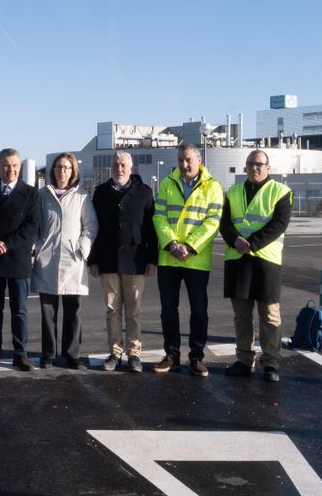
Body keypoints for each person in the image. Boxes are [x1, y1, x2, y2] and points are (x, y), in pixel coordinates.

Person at [152, 142, 223, 377]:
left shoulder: (213, 187)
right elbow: (159, 216)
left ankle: (196, 357)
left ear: (199, 160)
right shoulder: (167, 184)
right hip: (169, 258)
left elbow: (213, 222)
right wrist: (172, 244)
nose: (184, 165)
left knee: (199, 311)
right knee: (168, 310)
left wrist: (189, 247)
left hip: (196, 259)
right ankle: (171, 355)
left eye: (188, 160)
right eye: (181, 160)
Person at [221, 150, 293, 383]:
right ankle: (244, 360)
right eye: (251, 164)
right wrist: (235, 241)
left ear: (268, 167)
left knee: (270, 315)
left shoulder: (281, 191)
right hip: (237, 259)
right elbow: (224, 224)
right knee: (241, 315)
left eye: (259, 164)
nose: (255, 168)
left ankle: (271, 363)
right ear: (246, 166)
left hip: (266, 260)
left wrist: (250, 243)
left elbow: (279, 223)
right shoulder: (232, 192)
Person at [87, 151, 157, 373]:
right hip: (107, 260)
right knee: (112, 310)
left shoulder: (144, 193)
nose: (119, 168)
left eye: (123, 164)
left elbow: (150, 229)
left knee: (133, 310)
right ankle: (115, 352)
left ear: (131, 167)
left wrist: (152, 259)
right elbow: (94, 228)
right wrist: (93, 260)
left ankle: (134, 353)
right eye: (116, 164)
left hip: (135, 260)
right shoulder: (100, 193)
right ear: (111, 167)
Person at [0, 148, 41, 371]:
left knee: (19, 310)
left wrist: (6, 244)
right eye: (5, 165)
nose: (10, 169)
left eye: (14, 165)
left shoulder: (31, 194)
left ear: (20, 167)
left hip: (18, 258)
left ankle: (20, 352)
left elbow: (31, 227)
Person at [32, 152, 98, 369]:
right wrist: (36, 246)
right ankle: (48, 354)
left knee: (73, 311)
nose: (62, 171)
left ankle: (72, 354)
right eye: (59, 167)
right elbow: (34, 225)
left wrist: (83, 248)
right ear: (53, 170)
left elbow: (91, 226)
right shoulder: (42, 195)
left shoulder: (81, 197)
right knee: (47, 313)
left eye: (67, 168)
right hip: (47, 259)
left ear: (73, 171)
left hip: (73, 260)